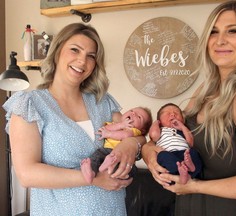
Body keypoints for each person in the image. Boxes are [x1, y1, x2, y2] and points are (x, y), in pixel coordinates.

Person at [142, 1, 236, 216]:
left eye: (233, 31)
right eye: (213, 32)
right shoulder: (205, 90)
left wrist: (194, 186)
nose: (220, 40)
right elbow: (170, 137)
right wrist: (149, 153)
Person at [3, 23, 146, 216]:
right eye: (75, 50)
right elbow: (27, 174)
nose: (82, 61)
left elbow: (138, 135)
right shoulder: (30, 104)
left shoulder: (102, 102)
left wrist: (130, 144)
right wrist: (93, 179)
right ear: (57, 52)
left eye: (91, 56)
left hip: (112, 210)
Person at [81, 106, 152, 184]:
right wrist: (120, 125)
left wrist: (109, 134)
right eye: (131, 110)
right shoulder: (116, 124)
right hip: (106, 150)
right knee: (96, 156)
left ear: (142, 130)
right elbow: (106, 128)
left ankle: (107, 164)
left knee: (130, 171)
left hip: (121, 156)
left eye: (139, 117)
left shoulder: (134, 131)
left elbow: (124, 135)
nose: (133, 113)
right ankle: (91, 172)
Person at [149, 103, 202, 184]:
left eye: (176, 113)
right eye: (167, 113)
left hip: (184, 154)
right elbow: (153, 135)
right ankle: (182, 170)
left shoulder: (182, 130)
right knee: (162, 155)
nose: (173, 114)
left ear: (183, 120)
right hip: (170, 155)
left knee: (193, 152)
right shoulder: (161, 130)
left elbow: (190, 142)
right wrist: (156, 123)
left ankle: (190, 169)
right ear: (160, 121)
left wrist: (182, 127)